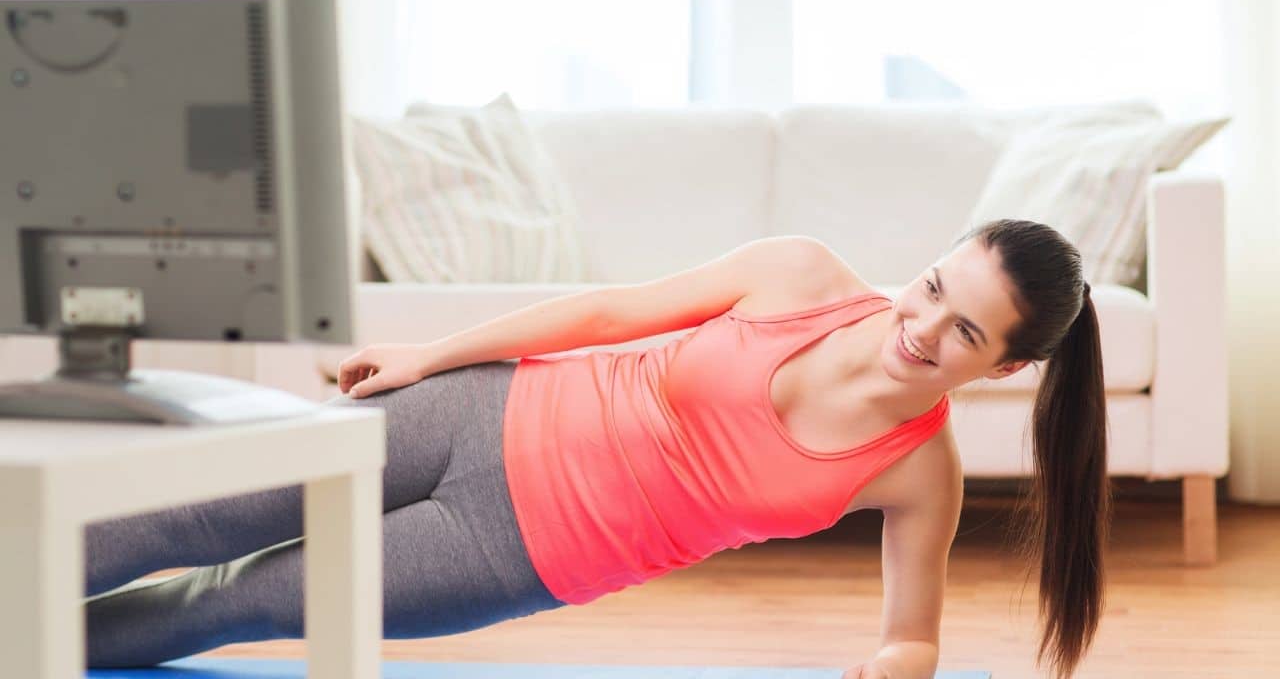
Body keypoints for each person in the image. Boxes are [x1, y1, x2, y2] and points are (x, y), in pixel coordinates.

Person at [83, 218, 1109, 679]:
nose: (920, 326)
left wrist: (899, 663)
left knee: (239, 599)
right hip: (481, 410)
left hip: (516, 553)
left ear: (1004, 369)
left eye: (964, 333)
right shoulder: (798, 273)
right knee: (197, 509)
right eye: (932, 286)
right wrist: (431, 355)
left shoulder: (916, 474)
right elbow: (610, 313)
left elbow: (913, 634)